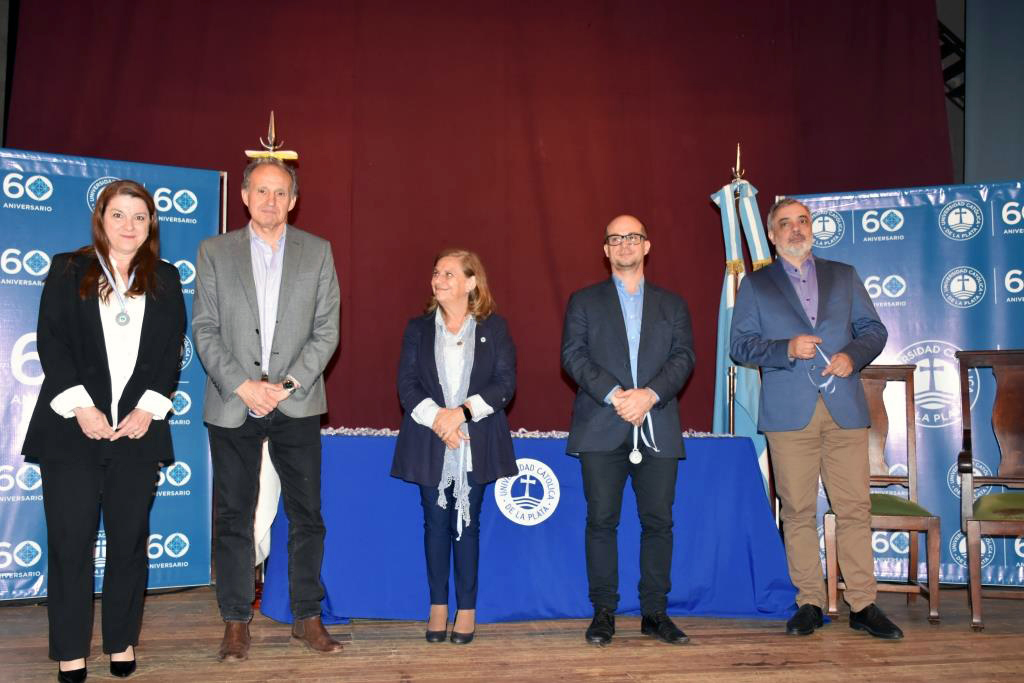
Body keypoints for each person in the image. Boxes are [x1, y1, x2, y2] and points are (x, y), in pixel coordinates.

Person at [22, 180, 185, 682]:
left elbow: (168, 355)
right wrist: (83, 408)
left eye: (140, 216)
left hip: (137, 433)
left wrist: (149, 410)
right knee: (71, 543)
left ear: (151, 224)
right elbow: (51, 343)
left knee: (129, 543)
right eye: (119, 215)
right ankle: (71, 653)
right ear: (102, 218)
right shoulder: (67, 269)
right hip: (72, 431)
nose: (130, 225)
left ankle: (121, 641)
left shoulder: (165, 277)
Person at [730, 198, 903, 639]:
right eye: (785, 223)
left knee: (853, 509)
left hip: (845, 410)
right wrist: (785, 349)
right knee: (798, 511)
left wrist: (852, 356)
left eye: (802, 221)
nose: (795, 229)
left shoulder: (843, 275)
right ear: (771, 234)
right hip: (789, 415)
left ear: (813, 228)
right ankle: (809, 600)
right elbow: (741, 346)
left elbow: (874, 332)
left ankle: (863, 603)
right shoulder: (755, 284)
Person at [192, 158, 342, 661]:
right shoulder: (214, 251)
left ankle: (307, 616)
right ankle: (236, 621)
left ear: (293, 200)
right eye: (262, 191)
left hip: (296, 401)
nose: (270, 201)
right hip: (235, 402)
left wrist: (286, 383)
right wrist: (242, 384)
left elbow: (327, 330)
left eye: (280, 193)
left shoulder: (318, 252)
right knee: (233, 515)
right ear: (244, 195)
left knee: (308, 516)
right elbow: (205, 329)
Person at [561, 215, 695, 646]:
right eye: (615, 239)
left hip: (658, 422)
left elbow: (684, 358)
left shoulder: (672, 304)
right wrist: (618, 395)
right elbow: (573, 356)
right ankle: (604, 612)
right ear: (605, 250)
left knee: (659, 523)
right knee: (601, 521)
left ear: (646, 245)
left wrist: (649, 395)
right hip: (603, 425)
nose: (624, 245)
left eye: (632, 237)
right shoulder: (583, 301)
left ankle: (655, 613)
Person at [391, 248, 518, 645]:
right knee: (434, 524)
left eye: (448, 274)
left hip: (474, 439)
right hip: (430, 438)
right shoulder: (417, 328)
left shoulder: (493, 328)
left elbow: (504, 385)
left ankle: (466, 609)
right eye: (436, 273)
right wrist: (440, 419)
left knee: (467, 526)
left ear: (471, 282)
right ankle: (437, 606)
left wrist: (460, 413)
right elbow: (407, 385)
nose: (438, 280)